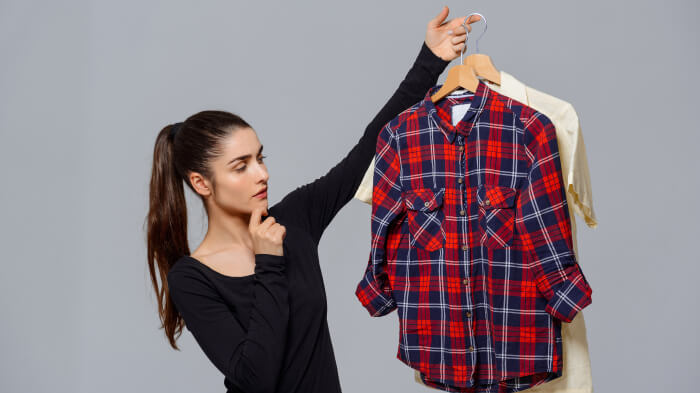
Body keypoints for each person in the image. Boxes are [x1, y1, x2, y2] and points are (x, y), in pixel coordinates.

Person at [146, 7, 480, 393]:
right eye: (241, 166)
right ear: (202, 184)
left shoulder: (296, 218)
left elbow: (367, 149)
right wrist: (269, 261)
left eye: (260, 158)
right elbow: (256, 377)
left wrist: (431, 59)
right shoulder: (191, 278)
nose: (261, 174)